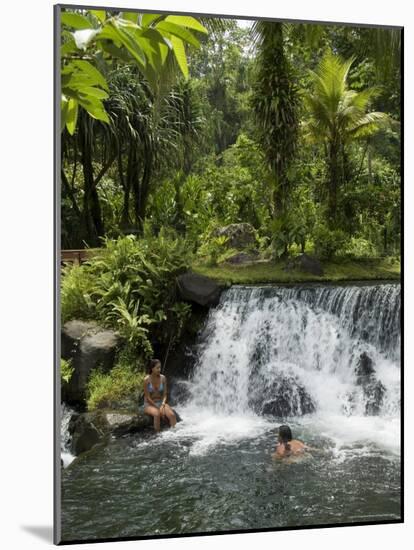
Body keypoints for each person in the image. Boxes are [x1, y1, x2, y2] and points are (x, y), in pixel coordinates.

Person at [143, 358, 177, 432]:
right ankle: (158, 435)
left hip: (160, 402)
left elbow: (165, 395)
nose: (159, 369)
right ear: (152, 368)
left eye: (160, 367)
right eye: (157, 368)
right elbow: (148, 397)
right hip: (149, 404)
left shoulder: (163, 378)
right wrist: (157, 407)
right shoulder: (146, 380)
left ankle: (174, 433)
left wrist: (163, 404)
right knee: (157, 414)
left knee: (172, 415)